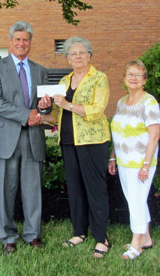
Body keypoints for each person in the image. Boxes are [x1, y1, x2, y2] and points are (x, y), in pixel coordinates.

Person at [39, 36, 111, 258]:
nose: (77, 56)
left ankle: (102, 238)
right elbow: (56, 116)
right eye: (73, 53)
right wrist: (44, 109)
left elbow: (97, 110)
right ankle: (79, 232)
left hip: (93, 141)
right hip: (69, 141)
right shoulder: (64, 80)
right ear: (67, 58)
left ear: (90, 55)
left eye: (82, 52)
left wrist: (68, 104)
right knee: (75, 189)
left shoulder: (99, 78)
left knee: (95, 189)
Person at [0, 21, 48, 254]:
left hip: (32, 137)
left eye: (26, 40)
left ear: (30, 42)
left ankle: (33, 234)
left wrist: (43, 106)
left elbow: (42, 108)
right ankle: (8, 237)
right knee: (5, 190)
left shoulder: (40, 70)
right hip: (5, 138)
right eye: (18, 39)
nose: (22, 43)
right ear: (10, 42)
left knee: (33, 189)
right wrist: (26, 115)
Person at [108, 60, 160, 260]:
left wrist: (146, 164)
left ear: (144, 80)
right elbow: (118, 132)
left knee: (137, 201)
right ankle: (146, 237)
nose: (133, 78)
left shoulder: (149, 103)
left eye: (138, 75)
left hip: (141, 162)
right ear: (124, 78)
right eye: (130, 74)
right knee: (134, 200)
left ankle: (136, 244)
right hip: (123, 161)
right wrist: (112, 157)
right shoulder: (122, 102)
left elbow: (154, 136)